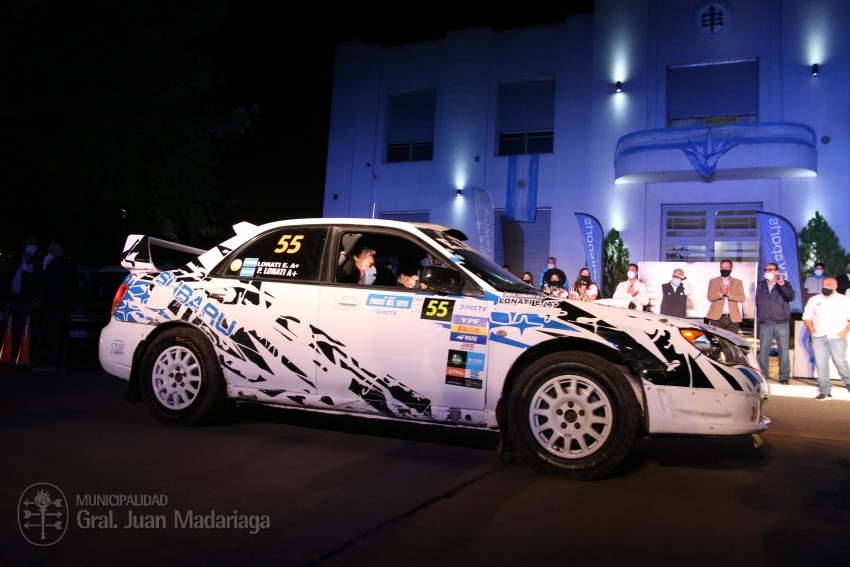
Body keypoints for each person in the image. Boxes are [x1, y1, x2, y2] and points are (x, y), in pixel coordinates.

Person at [802, 277, 850, 400]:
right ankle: (825, 391)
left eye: (828, 285)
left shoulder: (845, 300)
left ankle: (848, 382)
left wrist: (844, 332)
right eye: (823, 284)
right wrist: (812, 330)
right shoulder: (814, 300)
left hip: (837, 336)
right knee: (821, 364)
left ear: (835, 286)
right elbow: (806, 316)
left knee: (839, 362)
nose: (825, 287)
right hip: (819, 337)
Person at [33, 242, 78, 371]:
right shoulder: (70, 265)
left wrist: (42, 267)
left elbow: (45, 280)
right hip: (63, 305)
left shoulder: (55, 265)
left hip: (53, 305)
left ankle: (51, 363)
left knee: (51, 333)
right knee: (61, 334)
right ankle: (60, 363)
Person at [755, 262, 796, 385]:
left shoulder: (785, 283)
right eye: (766, 269)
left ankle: (784, 376)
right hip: (765, 322)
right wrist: (761, 317)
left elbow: (791, 297)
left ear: (777, 272)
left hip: (781, 322)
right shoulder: (760, 285)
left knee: (783, 350)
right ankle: (763, 375)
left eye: (771, 269)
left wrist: (783, 286)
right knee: (763, 351)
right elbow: (757, 302)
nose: (768, 271)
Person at [4, 236, 43, 361]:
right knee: (12, 326)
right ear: (24, 245)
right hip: (14, 298)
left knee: (25, 327)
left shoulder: (38, 260)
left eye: (34, 243)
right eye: (29, 243)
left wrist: (36, 297)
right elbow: (8, 277)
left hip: (26, 299)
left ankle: (25, 355)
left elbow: (38, 280)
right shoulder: (17, 259)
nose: (32, 246)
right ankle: (11, 353)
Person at [705, 258, 745, 334]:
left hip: (732, 318)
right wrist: (721, 294)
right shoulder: (713, 281)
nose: (724, 270)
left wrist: (729, 295)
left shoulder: (738, 282)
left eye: (726, 268)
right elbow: (709, 297)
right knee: (717, 341)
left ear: (731, 268)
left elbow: (742, 298)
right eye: (722, 268)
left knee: (732, 342)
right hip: (716, 318)